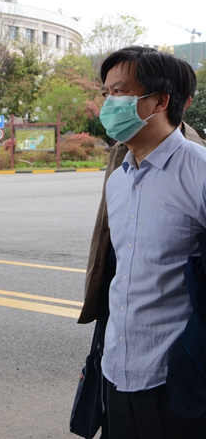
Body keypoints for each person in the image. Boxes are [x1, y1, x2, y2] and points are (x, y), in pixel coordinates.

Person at [93, 46, 206, 437]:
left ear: (160, 101)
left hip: (178, 377)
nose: (108, 104)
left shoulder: (199, 173)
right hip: (116, 369)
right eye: (106, 93)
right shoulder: (118, 180)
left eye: (120, 92)